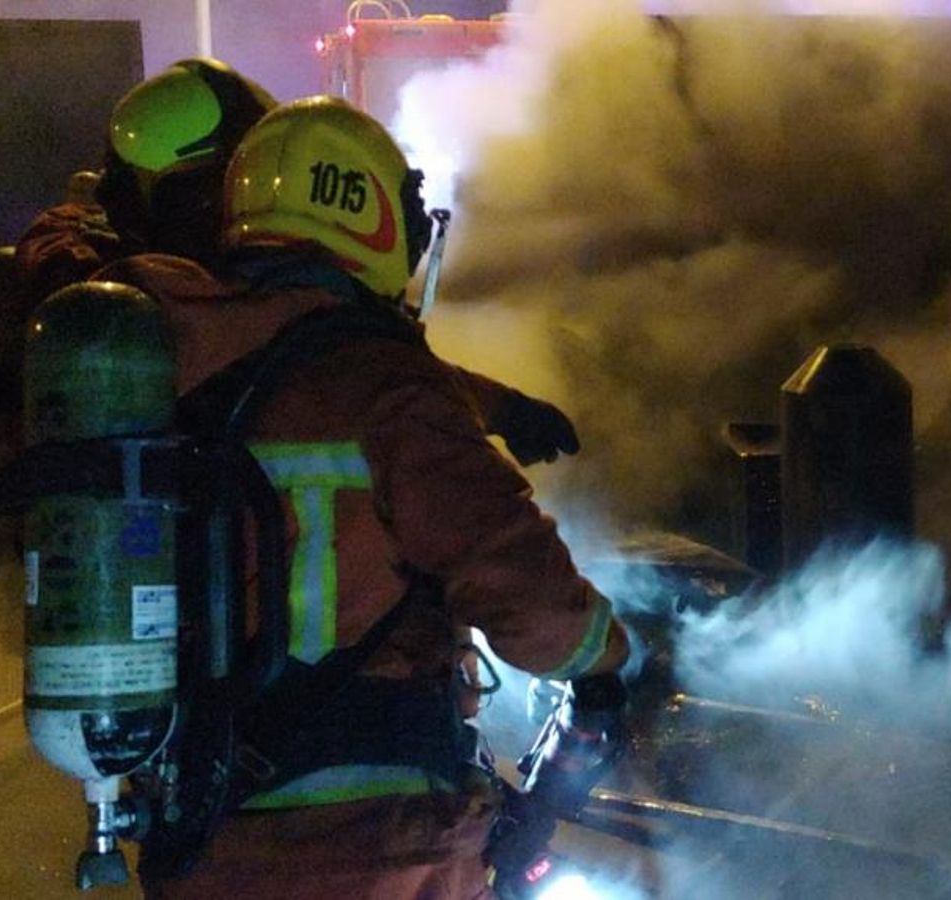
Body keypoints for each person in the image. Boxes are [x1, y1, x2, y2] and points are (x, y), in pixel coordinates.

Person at [90, 96, 628, 898]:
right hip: (375, 845)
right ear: (366, 211)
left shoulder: (166, 361)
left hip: (204, 832)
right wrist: (605, 657)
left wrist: (499, 407)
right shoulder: (384, 380)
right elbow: (517, 581)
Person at [0, 59, 577, 473]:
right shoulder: (190, 299)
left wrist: (500, 406)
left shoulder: (102, 284)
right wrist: (501, 408)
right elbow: (356, 366)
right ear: (203, 193)